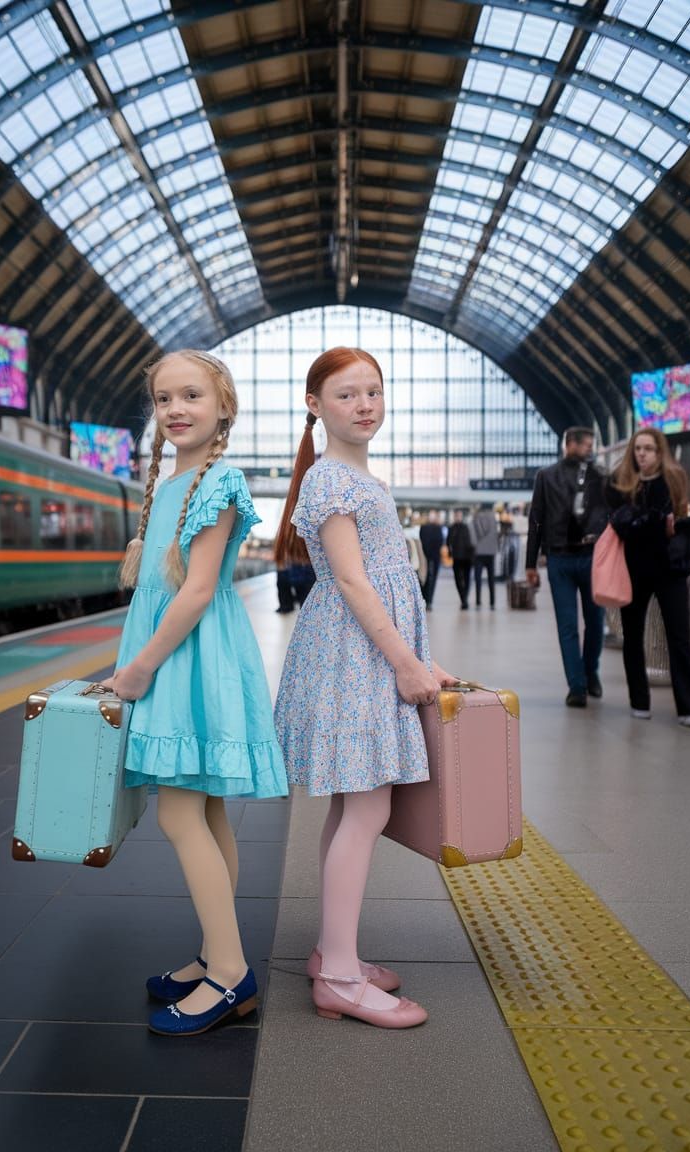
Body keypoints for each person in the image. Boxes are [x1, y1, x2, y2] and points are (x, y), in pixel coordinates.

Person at [104, 349, 289, 1036]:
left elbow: (199, 591)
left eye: (191, 395)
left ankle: (231, 975)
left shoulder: (219, 481)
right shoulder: (173, 480)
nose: (176, 409)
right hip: (179, 655)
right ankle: (215, 953)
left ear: (223, 406)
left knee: (179, 817)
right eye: (163, 399)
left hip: (188, 658)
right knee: (205, 814)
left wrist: (139, 669)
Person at [273, 347, 458, 1029]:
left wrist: (423, 660)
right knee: (367, 810)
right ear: (315, 405)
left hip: (364, 656)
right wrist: (406, 663)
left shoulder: (357, 477)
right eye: (347, 394)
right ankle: (342, 980)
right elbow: (352, 581)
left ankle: (334, 950)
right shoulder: (330, 479)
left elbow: (382, 581)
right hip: (354, 660)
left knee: (353, 807)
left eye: (373, 391)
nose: (365, 405)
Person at [606, 428, 690, 728]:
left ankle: (689, 708)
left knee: (679, 636)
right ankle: (639, 702)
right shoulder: (622, 483)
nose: (642, 454)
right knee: (632, 636)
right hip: (633, 569)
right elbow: (621, 523)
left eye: (648, 448)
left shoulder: (675, 479)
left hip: (669, 569)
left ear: (660, 452)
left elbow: (685, 519)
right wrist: (658, 523)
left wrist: (655, 523)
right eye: (638, 449)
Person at [525, 426, 609, 707]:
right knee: (567, 625)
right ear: (569, 444)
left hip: (592, 556)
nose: (590, 450)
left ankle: (590, 671)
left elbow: (609, 515)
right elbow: (536, 520)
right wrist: (531, 564)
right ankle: (577, 686)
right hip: (559, 558)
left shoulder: (600, 476)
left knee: (595, 621)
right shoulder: (546, 476)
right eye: (586, 445)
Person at [472, 503, 499, 610]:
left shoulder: (476, 517)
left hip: (479, 551)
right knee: (491, 578)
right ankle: (492, 602)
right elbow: (496, 534)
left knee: (478, 578)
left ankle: (478, 602)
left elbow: (475, 534)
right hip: (491, 551)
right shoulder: (493, 518)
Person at [446, 507, 474, 609]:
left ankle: (464, 599)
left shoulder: (466, 527)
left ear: (462, 516)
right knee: (458, 579)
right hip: (457, 557)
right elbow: (448, 542)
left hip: (466, 558)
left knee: (466, 579)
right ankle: (463, 599)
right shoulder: (452, 528)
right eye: (456, 515)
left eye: (459, 515)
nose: (457, 517)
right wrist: (450, 553)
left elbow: (470, 542)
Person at [418, 510, 444, 610]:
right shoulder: (435, 528)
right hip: (432, 557)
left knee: (426, 577)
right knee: (430, 578)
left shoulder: (425, 528)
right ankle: (428, 600)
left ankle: (426, 599)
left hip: (428, 556)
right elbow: (439, 541)